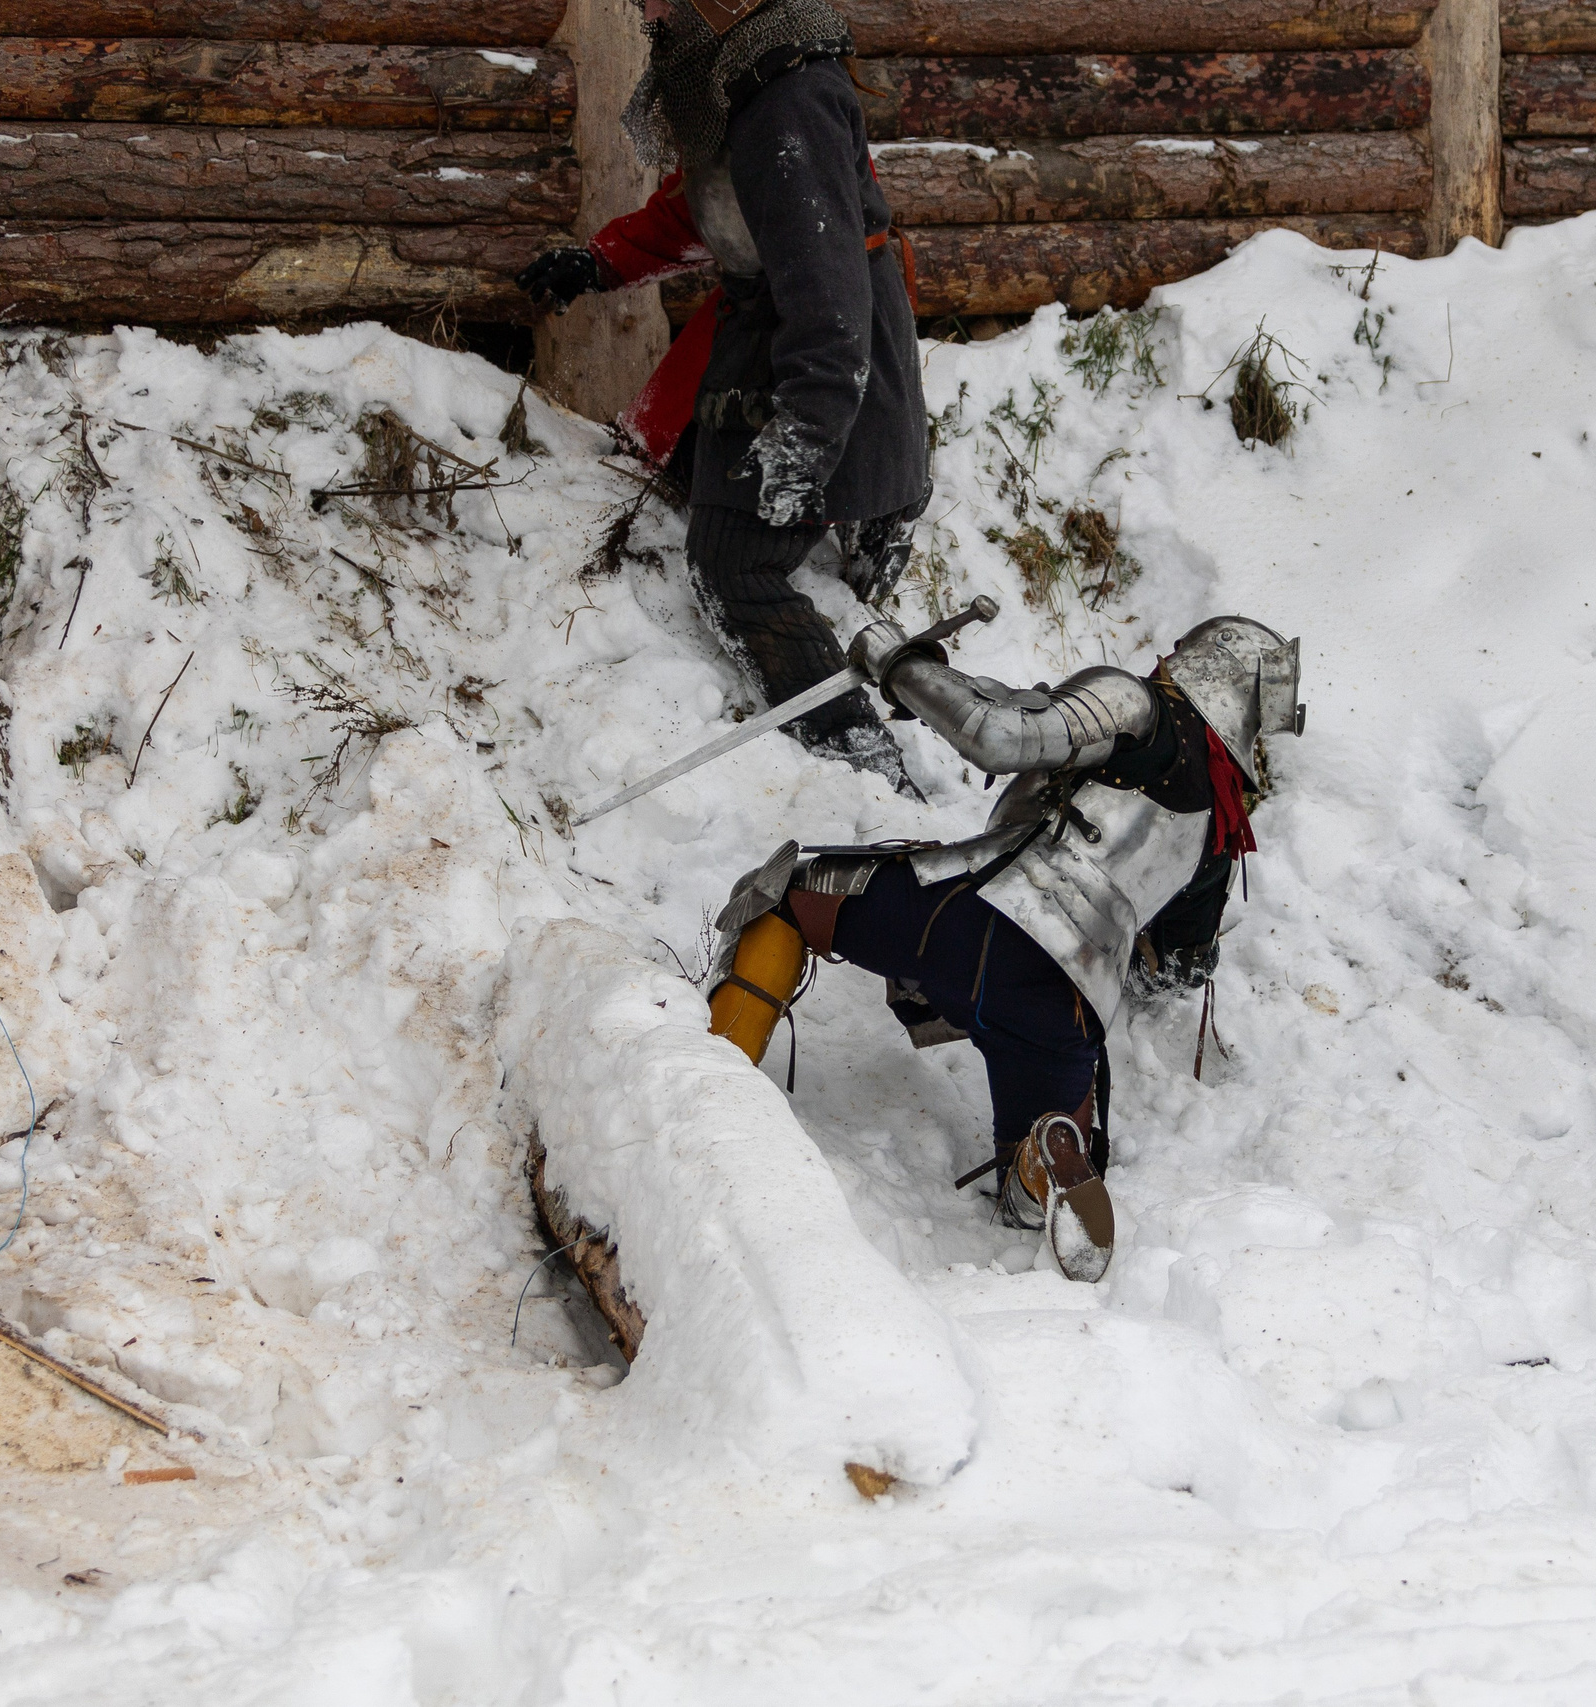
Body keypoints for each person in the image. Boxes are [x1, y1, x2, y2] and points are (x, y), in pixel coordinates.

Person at [699, 614, 1306, 1281]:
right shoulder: (1222, 827)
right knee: (1025, 1193)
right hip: (1068, 1007)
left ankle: (713, 1073)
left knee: (786, 892)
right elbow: (1183, 964)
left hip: (975, 921)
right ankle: (1043, 1160)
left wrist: (896, 663)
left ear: (1204, 663)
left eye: (1179, 653)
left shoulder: (1140, 705)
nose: (1165, 659)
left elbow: (998, 733)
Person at [517, 0, 928, 789]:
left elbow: (828, 297)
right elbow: (705, 207)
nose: (645, 9)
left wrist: (808, 432)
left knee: (731, 565)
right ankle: (871, 507)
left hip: (822, 354)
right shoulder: (745, 84)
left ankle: (861, 760)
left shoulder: (787, 103)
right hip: (777, 339)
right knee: (686, 477)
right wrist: (601, 263)